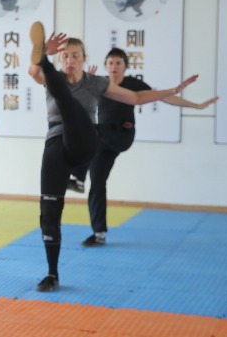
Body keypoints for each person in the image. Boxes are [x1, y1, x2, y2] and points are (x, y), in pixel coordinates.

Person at [27, 21, 199, 292]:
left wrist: (172, 91)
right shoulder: (52, 79)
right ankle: (52, 274)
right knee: (49, 211)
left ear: (84, 59)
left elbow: (135, 97)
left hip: (84, 141)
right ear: (60, 58)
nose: (70, 60)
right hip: (56, 146)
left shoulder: (95, 82)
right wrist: (39, 55)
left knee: (72, 110)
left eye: (75, 56)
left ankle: (78, 174)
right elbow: (32, 72)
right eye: (65, 56)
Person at [68, 47, 218, 247]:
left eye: (118, 63)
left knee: (92, 130)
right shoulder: (99, 83)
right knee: (97, 183)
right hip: (102, 142)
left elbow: (162, 96)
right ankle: (99, 233)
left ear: (125, 67)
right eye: (111, 63)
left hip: (121, 134)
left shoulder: (133, 84)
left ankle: (77, 177)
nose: (114, 67)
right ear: (106, 66)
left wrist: (196, 105)